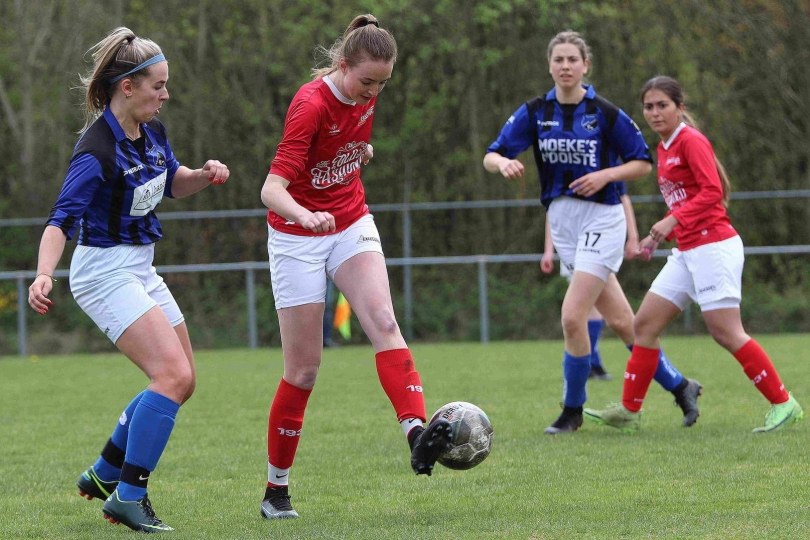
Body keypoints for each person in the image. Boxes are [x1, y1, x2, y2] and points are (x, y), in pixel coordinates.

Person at [27, 27, 229, 532]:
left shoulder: (152, 132)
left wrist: (202, 175)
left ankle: (104, 472)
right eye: (158, 86)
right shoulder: (96, 151)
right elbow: (60, 220)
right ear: (127, 86)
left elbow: (172, 180)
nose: (165, 95)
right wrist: (44, 274)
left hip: (138, 265)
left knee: (184, 379)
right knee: (171, 377)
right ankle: (128, 496)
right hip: (103, 271)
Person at [258, 14, 451, 520]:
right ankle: (276, 490)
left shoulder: (367, 90)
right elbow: (271, 190)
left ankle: (416, 432)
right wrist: (305, 215)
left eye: (383, 84)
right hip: (297, 236)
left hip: (349, 222)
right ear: (342, 65)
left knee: (384, 321)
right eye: (367, 82)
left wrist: (356, 150)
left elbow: (345, 138)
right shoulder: (310, 105)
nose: (373, 93)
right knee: (304, 369)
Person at [483, 30, 702, 435]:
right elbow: (491, 154)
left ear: (585, 65)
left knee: (572, 316)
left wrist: (605, 175)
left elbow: (641, 162)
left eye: (573, 59)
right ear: (549, 65)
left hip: (603, 219)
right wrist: (502, 164)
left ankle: (572, 410)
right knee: (622, 321)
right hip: (563, 222)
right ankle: (680, 385)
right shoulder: (535, 112)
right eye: (559, 59)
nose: (565, 66)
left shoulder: (604, 113)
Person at [585, 75, 804, 433]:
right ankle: (629, 410)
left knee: (726, 331)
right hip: (687, 250)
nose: (655, 112)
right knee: (644, 326)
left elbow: (712, 192)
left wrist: (672, 220)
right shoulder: (664, 147)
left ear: (679, 107)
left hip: (713, 246)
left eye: (662, 105)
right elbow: (683, 200)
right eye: (649, 107)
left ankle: (784, 403)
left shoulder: (690, 140)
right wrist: (657, 236)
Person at [542, 192, 641, 381]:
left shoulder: (603, 177)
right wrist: (548, 250)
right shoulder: (558, 183)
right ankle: (590, 362)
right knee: (586, 311)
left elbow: (623, 196)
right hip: (572, 245)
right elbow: (553, 210)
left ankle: (591, 362)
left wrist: (633, 236)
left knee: (606, 314)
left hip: (597, 243)